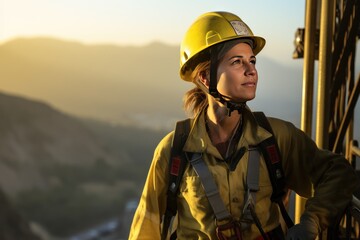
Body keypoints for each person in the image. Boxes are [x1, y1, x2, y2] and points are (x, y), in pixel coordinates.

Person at [129, 11, 359, 239]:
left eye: (252, 60)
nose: (252, 71)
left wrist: (312, 222)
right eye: (237, 62)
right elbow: (146, 226)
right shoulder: (173, 150)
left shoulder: (276, 137)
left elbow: (337, 173)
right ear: (205, 78)